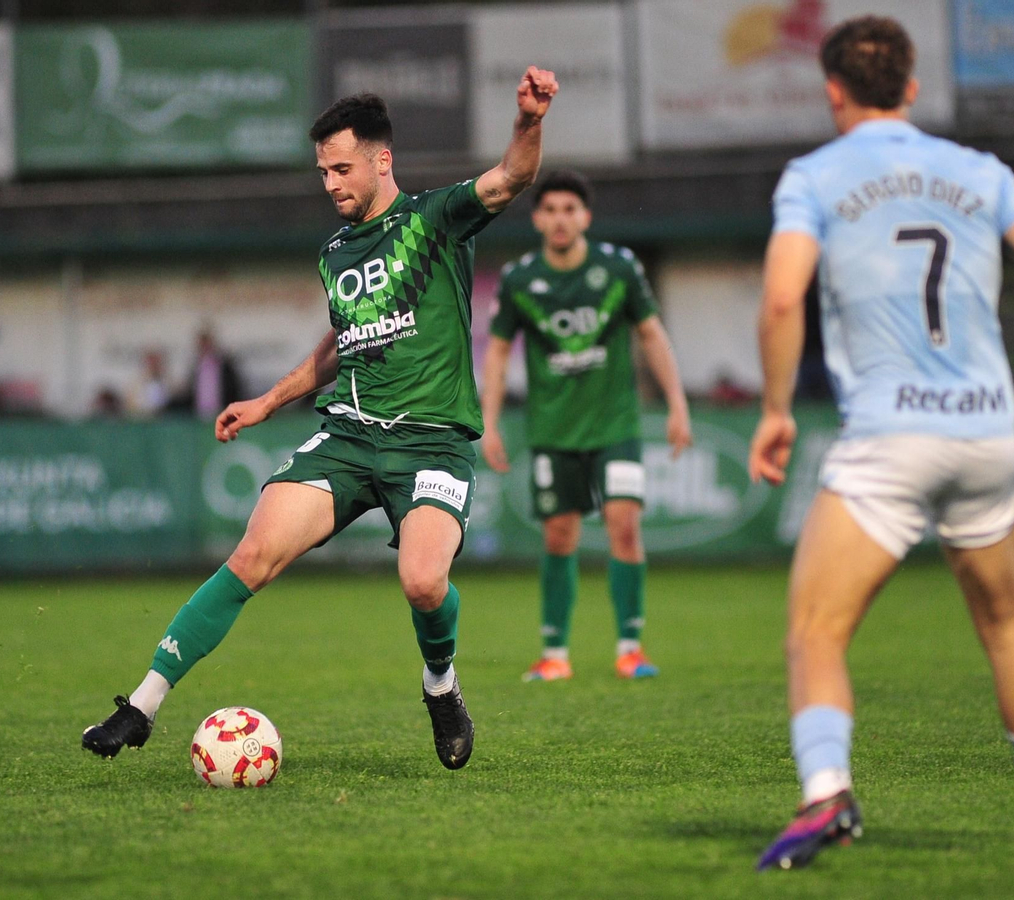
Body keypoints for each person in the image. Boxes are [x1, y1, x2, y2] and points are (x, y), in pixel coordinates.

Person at [81, 69, 559, 770]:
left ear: (381, 159)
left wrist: (528, 121)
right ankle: (142, 704)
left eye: (341, 168)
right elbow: (340, 343)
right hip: (348, 439)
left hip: (432, 442)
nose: (330, 183)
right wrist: (269, 401)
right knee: (250, 556)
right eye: (322, 171)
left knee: (425, 583)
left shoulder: (435, 218)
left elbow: (511, 177)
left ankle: (440, 684)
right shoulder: (335, 254)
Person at [747, 18, 1014, 869]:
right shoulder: (979, 172)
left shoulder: (813, 176)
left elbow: (782, 301)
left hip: (891, 438)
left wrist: (777, 409)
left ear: (834, 91)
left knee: (815, 630)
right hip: (989, 435)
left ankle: (826, 797)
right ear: (913, 88)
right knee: (1009, 627)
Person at [479, 170, 692, 683]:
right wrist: (488, 421)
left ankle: (630, 648)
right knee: (559, 535)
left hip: (615, 425)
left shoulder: (618, 268)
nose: (559, 218)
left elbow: (652, 334)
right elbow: (499, 350)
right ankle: (554, 653)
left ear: (586, 217)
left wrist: (677, 404)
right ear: (537, 218)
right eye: (549, 209)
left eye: (569, 209)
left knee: (624, 524)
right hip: (552, 430)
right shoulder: (520, 279)